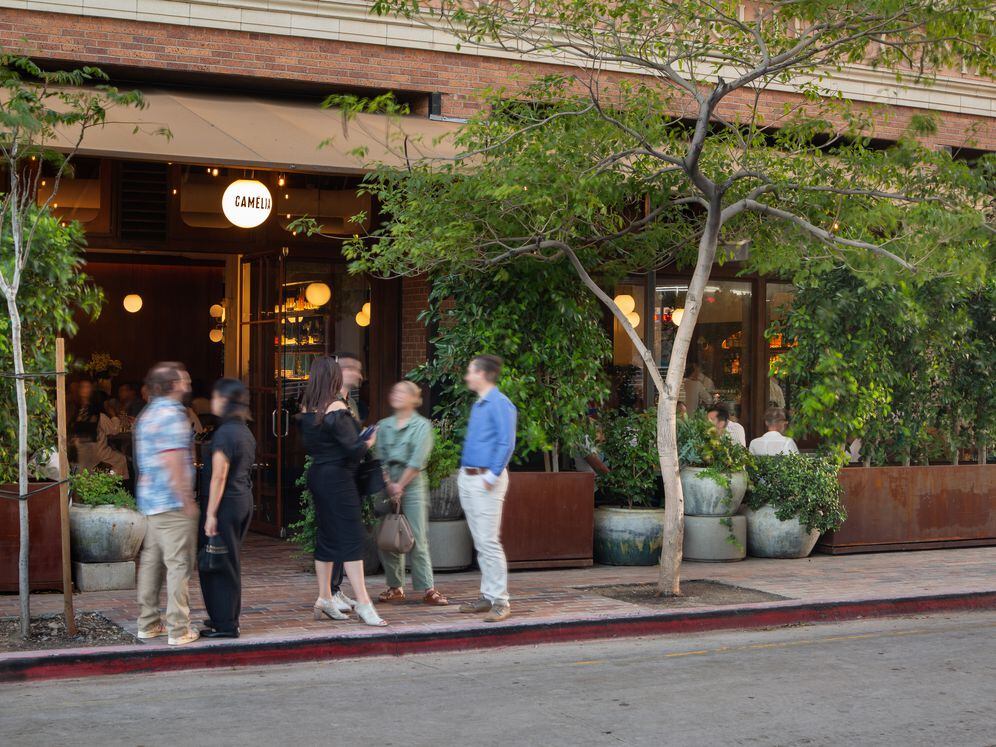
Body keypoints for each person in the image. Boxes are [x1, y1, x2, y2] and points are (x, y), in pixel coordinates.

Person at [300, 356, 386, 627]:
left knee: (326, 537)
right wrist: (369, 439)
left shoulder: (307, 407)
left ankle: (325, 597)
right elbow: (354, 449)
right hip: (339, 479)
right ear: (333, 378)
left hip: (319, 474)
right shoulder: (336, 406)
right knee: (351, 538)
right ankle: (364, 603)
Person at [134, 362, 200, 646]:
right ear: (172, 385)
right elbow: (173, 458)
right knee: (178, 564)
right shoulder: (174, 415)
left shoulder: (147, 413)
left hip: (149, 500)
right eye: (183, 380)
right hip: (172, 501)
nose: (188, 383)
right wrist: (187, 498)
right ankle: (178, 628)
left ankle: (148, 623)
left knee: (150, 562)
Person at [375, 381, 449, 606]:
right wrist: (389, 482)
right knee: (388, 537)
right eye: (394, 391)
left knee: (416, 537)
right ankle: (395, 586)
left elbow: (418, 461)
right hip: (387, 486)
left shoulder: (422, 426)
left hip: (413, 484)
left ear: (414, 399)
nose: (396, 395)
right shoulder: (384, 425)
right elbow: (379, 458)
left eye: (402, 392)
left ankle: (428, 588)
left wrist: (400, 485)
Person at [458, 354, 517, 623]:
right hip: (470, 477)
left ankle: (501, 601)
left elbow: (506, 444)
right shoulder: (480, 404)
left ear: (482, 374)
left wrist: (491, 477)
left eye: (470, 371)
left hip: (485, 480)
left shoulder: (500, 404)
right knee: (481, 540)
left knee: (489, 541)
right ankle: (488, 595)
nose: (467, 375)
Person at [198, 379, 256, 639]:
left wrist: (210, 514)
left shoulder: (224, 434)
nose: (213, 402)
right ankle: (225, 617)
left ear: (224, 401)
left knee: (218, 561)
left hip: (225, 503)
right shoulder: (244, 431)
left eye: (216, 397)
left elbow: (219, 476)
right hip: (242, 499)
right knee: (228, 560)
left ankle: (226, 624)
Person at [70, 379, 129, 478]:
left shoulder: (75, 414)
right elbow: (114, 430)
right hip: (95, 454)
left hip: (79, 454)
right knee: (121, 459)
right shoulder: (99, 416)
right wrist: (113, 415)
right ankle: (113, 483)